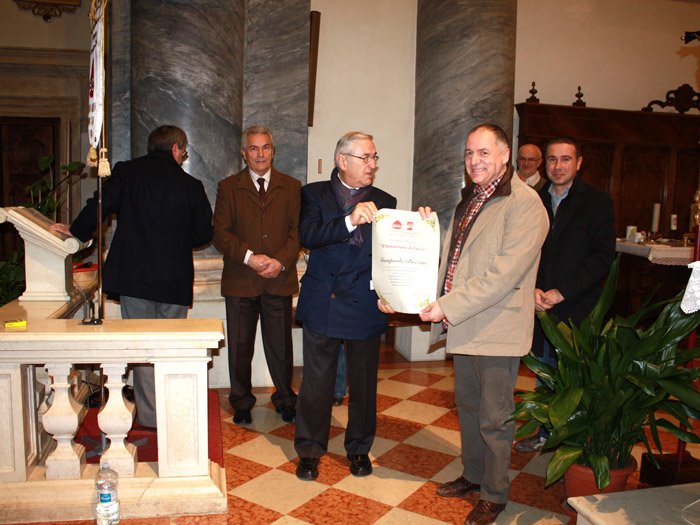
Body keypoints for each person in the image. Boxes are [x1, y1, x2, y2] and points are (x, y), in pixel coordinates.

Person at [417, 124, 548, 525]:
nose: (474, 160)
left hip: (497, 329)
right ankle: (474, 475)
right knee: (469, 408)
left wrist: (446, 306)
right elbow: (456, 260)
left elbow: (502, 276)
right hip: (466, 324)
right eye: (469, 153)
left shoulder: (525, 205)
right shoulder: (472, 198)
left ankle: (494, 493)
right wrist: (425, 233)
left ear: (505, 156)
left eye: (484, 153)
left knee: (495, 419)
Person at [54, 125, 213, 428]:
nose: (183, 156)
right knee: (169, 348)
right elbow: (204, 232)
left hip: (134, 278)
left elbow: (99, 205)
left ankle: (151, 416)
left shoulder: (127, 172)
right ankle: (170, 410)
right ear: (176, 149)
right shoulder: (191, 185)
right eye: (184, 152)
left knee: (142, 349)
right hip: (174, 278)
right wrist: (178, 241)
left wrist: (76, 232)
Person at [294, 131, 396, 481]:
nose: (372, 164)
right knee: (316, 384)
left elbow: (391, 255)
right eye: (365, 158)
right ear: (342, 161)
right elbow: (308, 236)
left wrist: (420, 227)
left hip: (365, 303)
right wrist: (351, 220)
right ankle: (310, 451)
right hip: (324, 300)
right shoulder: (314, 194)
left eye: (374, 157)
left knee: (364, 386)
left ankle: (359, 448)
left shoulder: (386, 200)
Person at [516, 136, 615, 453]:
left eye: (565, 159)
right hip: (537, 301)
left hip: (576, 305)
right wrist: (531, 288)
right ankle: (545, 432)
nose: (558, 166)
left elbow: (601, 258)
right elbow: (521, 249)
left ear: (579, 163)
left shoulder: (597, 202)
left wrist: (562, 292)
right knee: (543, 370)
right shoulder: (532, 199)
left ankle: (570, 441)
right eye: (552, 159)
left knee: (571, 374)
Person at [213, 125, 300, 425]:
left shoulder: (292, 186)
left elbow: (297, 231)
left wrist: (280, 261)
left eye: (265, 147)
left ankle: (285, 398)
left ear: (273, 151)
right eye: (253, 148)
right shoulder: (228, 187)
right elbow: (220, 233)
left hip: (279, 278)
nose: (260, 154)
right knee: (240, 348)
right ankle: (241, 401)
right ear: (244, 153)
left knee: (281, 347)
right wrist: (250, 257)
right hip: (241, 280)